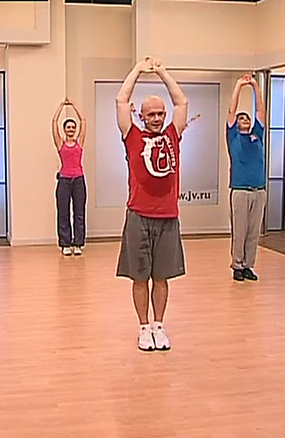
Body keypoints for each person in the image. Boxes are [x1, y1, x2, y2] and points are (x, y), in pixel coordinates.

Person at [115, 57, 188, 352]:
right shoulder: (132, 136)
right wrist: (137, 70)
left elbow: (181, 102)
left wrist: (162, 72)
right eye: (151, 114)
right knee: (139, 277)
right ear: (142, 117)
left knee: (161, 277)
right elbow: (121, 101)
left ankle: (159, 325)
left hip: (168, 217)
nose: (157, 118)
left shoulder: (172, 135)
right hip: (138, 216)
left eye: (160, 114)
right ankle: (144, 328)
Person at [226, 74, 267, 282]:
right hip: (240, 191)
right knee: (240, 231)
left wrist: (255, 86)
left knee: (253, 232)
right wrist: (239, 85)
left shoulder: (257, 136)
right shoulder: (234, 137)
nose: (245, 120)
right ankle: (237, 265)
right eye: (242, 119)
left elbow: (261, 111)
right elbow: (231, 111)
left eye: (247, 119)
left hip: (259, 190)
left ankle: (249, 265)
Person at [51, 97, 87, 256]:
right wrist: (61, 106)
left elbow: (83, 120)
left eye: (73, 127)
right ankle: (65, 244)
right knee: (63, 213)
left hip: (79, 180)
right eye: (68, 127)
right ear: (65, 130)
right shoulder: (61, 144)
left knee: (79, 213)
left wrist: (74, 105)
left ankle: (78, 243)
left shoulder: (79, 143)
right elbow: (54, 123)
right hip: (64, 181)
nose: (71, 129)